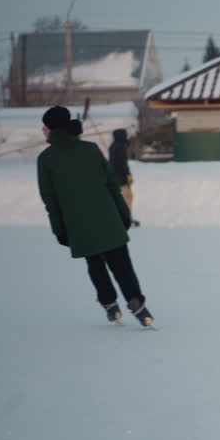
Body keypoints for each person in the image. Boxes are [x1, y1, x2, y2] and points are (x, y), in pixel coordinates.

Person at [37, 106, 155, 328]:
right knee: (122, 264)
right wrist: (124, 215)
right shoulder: (91, 149)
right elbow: (112, 186)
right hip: (108, 219)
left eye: (45, 126)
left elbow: (50, 200)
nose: (42, 130)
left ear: (52, 129)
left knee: (95, 264)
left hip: (78, 226)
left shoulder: (45, 159)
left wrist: (59, 229)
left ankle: (110, 305)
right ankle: (137, 302)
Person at [108, 128, 140, 227]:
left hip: (115, 176)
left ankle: (123, 217)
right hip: (120, 177)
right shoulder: (119, 147)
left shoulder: (113, 146)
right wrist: (127, 176)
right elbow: (121, 164)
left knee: (122, 197)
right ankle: (126, 218)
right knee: (128, 197)